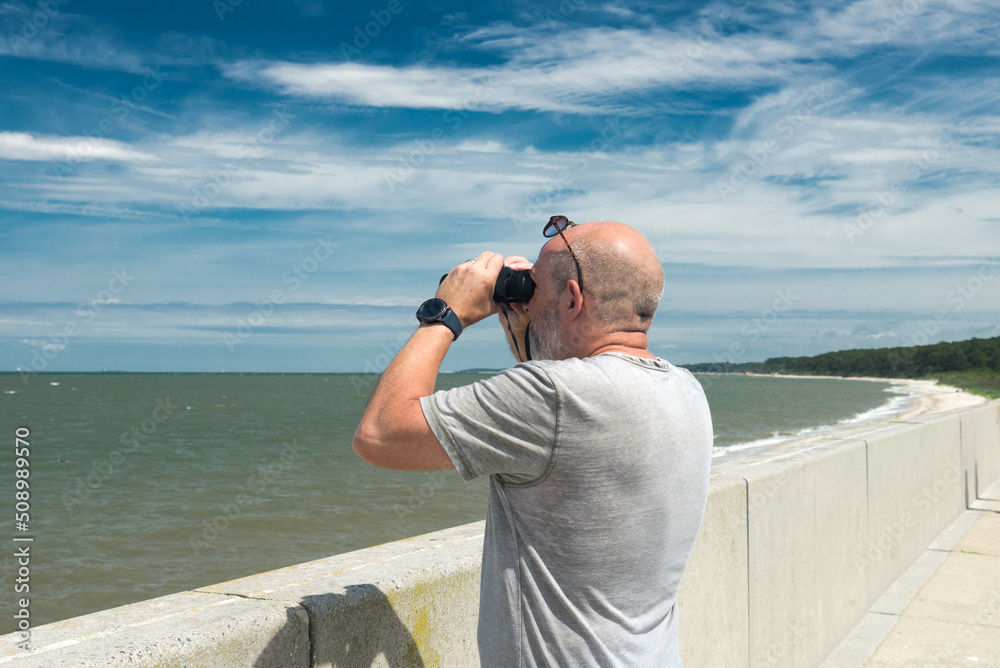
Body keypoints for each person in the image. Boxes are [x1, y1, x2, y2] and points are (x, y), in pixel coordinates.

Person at [353, 217, 713, 667]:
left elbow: (380, 434)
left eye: (535, 287)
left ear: (573, 298)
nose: (527, 296)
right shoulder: (686, 390)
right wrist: (532, 326)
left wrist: (446, 313)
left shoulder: (553, 397)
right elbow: (560, 444)